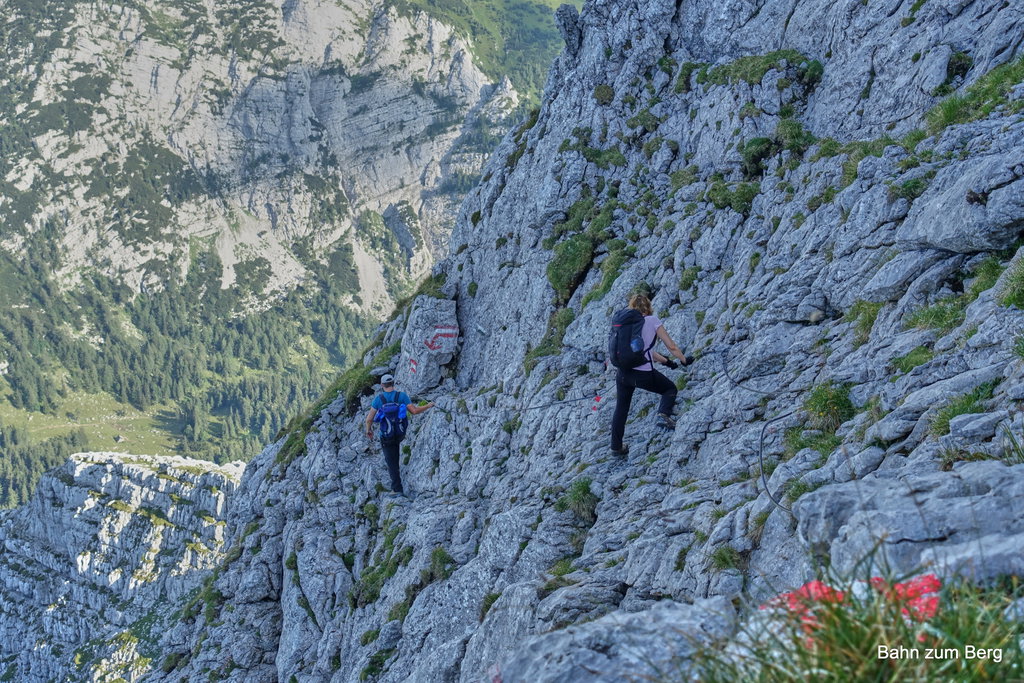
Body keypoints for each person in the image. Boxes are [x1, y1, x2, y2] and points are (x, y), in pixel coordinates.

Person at [610, 294, 689, 455]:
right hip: (642, 375)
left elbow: (646, 351)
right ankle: (663, 415)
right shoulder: (652, 321)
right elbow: (671, 346)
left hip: (623, 373)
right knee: (669, 389)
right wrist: (683, 360)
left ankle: (616, 447)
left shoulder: (628, 325)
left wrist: (667, 362)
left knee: (621, 408)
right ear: (648, 307)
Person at [363, 374, 434, 497]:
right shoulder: (402, 396)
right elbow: (415, 411)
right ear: (393, 383)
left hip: (386, 436)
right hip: (400, 433)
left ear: (382, 385)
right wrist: (428, 406)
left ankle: (397, 489)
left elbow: (369, 419)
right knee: (397, 450)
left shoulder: (378, 399)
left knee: (391, 462)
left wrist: (369, 430)